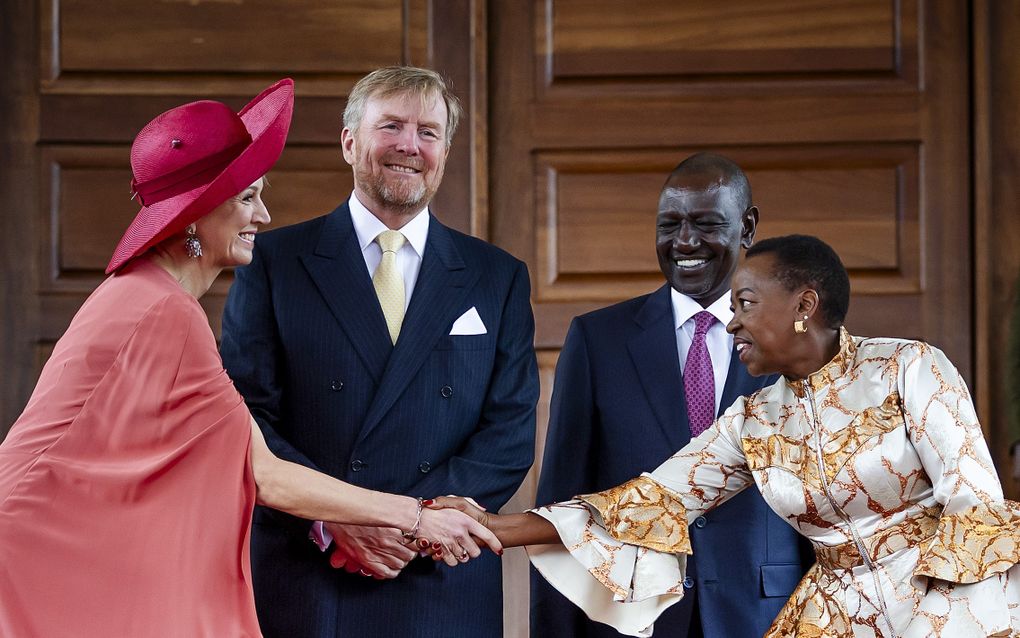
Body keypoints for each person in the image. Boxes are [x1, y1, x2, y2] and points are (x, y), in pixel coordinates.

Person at [0, 79, 499, 637]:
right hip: (40, 551)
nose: (263, 215)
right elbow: (263, 475)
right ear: (194, 213)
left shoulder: (149, 295)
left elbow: (243, 456)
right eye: (246, 198)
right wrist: (414, 514)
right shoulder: (165, 311)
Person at [438, 234, 1020, 638]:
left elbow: (975, 513)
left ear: (804, 305)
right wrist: (492, 526)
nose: (732, 321)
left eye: (745, 303)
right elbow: (649, 501)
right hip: (834, 613)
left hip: (945, 607)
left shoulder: (910, 368)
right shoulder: (754, 419)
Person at [220, 66, 539, 637]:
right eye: (390, 126)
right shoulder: (274, 264)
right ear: (349, 141)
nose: (408, 146)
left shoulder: (498, 277)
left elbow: (509, 431)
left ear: (445, 149)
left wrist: (416, 525)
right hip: (312, 575)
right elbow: (245, 418)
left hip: (440, 579)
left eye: (428, 132)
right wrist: (340, 517)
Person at [533, 153, 811, 638]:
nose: (685, 241)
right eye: (670, 224)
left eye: (705, 224)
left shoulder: (799, 344)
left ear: (747, 228)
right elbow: (562, 510)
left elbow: (831, 510)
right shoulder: (598, 341)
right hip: (629, 619)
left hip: (766, 618)